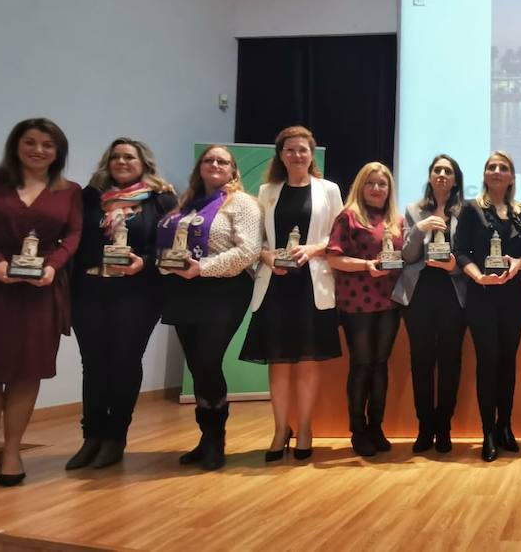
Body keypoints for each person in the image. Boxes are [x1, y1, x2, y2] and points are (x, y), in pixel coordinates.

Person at [0, 118, 81, 491]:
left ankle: (12, 452)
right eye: (31, 142)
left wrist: (54, 267)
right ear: (16, 144)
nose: (39, 150)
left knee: (27, 370)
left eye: (48, 145)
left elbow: (73, 235)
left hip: (39, 289)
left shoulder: (69, 191)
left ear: (58, 152)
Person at [66, 138, 176, 470]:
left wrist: (144, 261)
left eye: (130, 156)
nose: (122, 161)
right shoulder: (89, 197)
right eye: (115, 156)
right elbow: (73, 238)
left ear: (144, 163)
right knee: (94, 364)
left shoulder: (161, 199)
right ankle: (92, 437)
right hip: (89, 290)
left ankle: (116, 437)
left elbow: (173, 246)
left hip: (138, 291)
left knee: (125, 362)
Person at [240, 127, 343, 462]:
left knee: (309, 361)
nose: (297, 155)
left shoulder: (329, 190)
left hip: (312, 284)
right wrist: (268, 257)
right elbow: (258, 241)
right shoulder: (267, 190)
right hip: (275, 285)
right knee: (279, 362)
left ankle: (306, 428)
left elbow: (340, 237)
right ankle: (280, 428)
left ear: (312, 154)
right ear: (280, 155)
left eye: (303, 150)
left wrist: (313, 249)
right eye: (290, 150)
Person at [159, 144, 262, 471]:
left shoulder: (242, 203)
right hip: (183, 290)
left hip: (225, 290)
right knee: (196, 366)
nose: (215, 164)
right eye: (209, 160)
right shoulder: (185, 205)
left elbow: (248, 252)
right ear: (199, 167)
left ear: (233, 170)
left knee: (207, 361)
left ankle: (217, 440)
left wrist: (202, 268)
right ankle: (205, 438)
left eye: (223, 161)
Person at [454, 152, 521, 461]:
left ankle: (505, 426)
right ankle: (487, 431)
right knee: (488, 362)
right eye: (491, 167)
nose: (496, 171)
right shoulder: (471, 209)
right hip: (482, 295)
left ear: (512, 177)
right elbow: (459, 250)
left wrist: (518, 264)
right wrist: (478, 277)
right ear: (485, 175)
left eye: (503, 168)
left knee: (507, 361)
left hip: (513, 295)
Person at [327, 162, 404, 457]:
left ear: (389, 189)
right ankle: (357, 431)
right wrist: (366, 266)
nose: (376, 189)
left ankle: (377, 426)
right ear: (361, 186)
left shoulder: (396, 219)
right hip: (357, 301)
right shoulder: (348, 216)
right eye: (371, 183)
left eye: (382, 184)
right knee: (361, 364)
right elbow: (334, 257)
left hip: (389, 301)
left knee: (380, 364)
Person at [394, 154, 469, 453]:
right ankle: (425, 426)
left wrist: (453, 266)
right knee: (421, 361)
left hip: (453, 291)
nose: (441, 175)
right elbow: (408, 256)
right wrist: (420, 228)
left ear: (455, 178)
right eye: (437, 170)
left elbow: (471, 256)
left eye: (447, 171)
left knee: (450, 361)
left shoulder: (468, 211)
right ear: (430, 176)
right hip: (419, 293)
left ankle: (444, 426)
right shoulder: (414, 210)